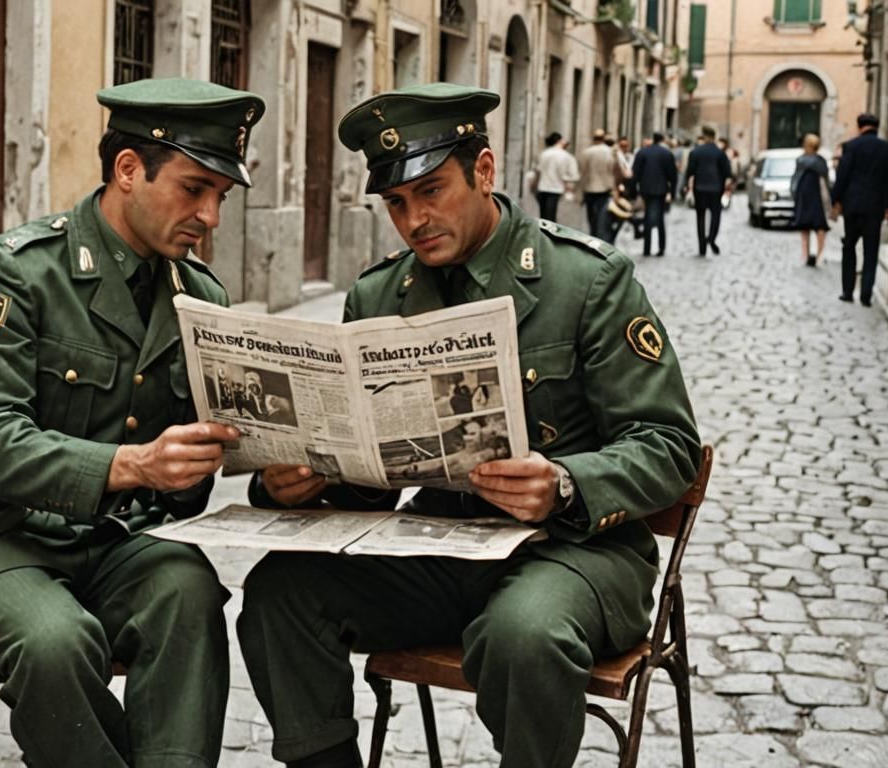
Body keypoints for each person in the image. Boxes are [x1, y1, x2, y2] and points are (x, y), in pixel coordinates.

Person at [236, 83, 702, 768]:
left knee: (522, 634)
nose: (414, 219)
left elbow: (669, 448)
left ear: (483, 172)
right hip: (443, 547)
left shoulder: (587, 280)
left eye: (432, 191)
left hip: (575, 554)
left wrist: (565, 483)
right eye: (397, 203)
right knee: (281, 591)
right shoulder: (379, 295)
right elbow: (376, 476)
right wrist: (300, 480)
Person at [0, 77, 262, 768]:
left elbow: (180, 500)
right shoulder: (14, 274)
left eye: (222, 196)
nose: (211, 216)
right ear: (129, 170)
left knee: (189, 592)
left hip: (112, 543)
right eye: (194, 189)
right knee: (56, 642)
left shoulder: (197, 296)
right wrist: (132, 464)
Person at [832, 113, 888, 306]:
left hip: (852, 205)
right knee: (871, 250)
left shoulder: (851, 146)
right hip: (875, 207)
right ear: (876, 127)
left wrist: (836, 198)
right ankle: (866, 295)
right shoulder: (887, 148)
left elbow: (842, 175)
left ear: (860, 126)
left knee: (849, 246)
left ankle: (847, 291)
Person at [683, 126, 733, 258]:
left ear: (704, 136)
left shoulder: (696, 152)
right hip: (716, 189)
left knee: (700, 217)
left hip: (700, 188)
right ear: (714, 137)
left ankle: (702, 248)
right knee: (716, 216)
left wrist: (686, 186)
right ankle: (711, 238)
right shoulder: (720, 153)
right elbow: (727, 172)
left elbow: (689, 172)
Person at [632, 131, 678, 257]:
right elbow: (672, 175)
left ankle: (647, 248)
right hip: (661, 189)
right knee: (660, 218)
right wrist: (672, 192)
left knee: (648, 217)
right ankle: (661, 247)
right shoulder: (667, 154)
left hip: (646, 189)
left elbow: (635, 173)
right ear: (662, 139)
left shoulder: (642, 152)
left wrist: (634, 191)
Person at [790, 133, 831, 267]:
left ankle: (805, 254)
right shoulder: (820, 161)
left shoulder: (801, 160)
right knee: (819, 226)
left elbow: (795, 179)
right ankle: (819, 254)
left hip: (805, 195)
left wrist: (794, 193)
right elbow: (826, 179)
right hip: (816, 195)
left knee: (805, 226)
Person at [534, 131, 580, 223]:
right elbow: (574, 176)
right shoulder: (567, 156)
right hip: (556, 189)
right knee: (551, 218)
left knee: (543, 218)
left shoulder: (544, 154)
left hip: (542, 188)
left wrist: (534, 187)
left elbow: (538, 172)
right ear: (560, 141)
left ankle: (543, 235)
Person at [579, 128, 617, 239]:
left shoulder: (587, 152)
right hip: (605, 187)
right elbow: (612, 169)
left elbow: (583, 170)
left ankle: (593, 231)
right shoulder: (609, 152)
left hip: (590, 187)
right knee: (602, 213)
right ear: (604, 138)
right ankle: (600, 234)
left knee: (591, 213)